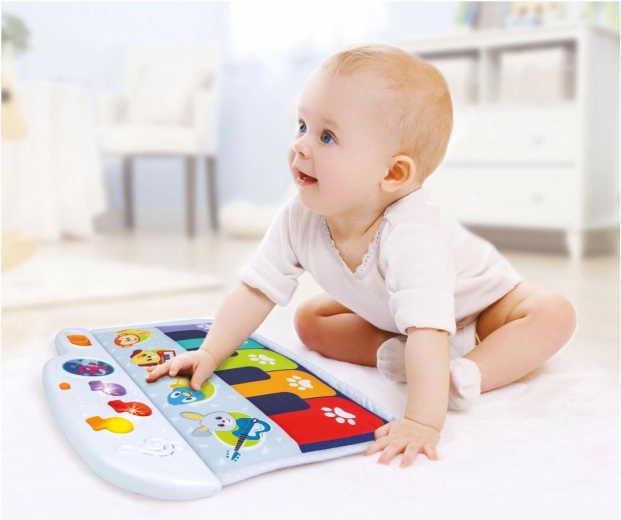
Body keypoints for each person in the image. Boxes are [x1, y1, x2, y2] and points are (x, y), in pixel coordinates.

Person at [146, 43, 576, 467]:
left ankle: (466, 372)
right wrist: (209, 353)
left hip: (480, 309)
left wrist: (422, 421)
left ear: (393, 173)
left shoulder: (412, 235)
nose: (301, 146)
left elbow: (428, 329)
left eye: (327, 137)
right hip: (401, 318)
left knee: (553, 313)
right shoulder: (298, 217)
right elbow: (255, 290)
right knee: (310, 320)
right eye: (302, 125)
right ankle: (403, 356)